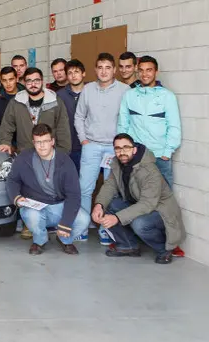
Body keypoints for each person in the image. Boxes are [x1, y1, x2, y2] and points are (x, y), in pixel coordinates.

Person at [92, 133, 185, 264]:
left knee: (140, 224)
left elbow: (147, 204)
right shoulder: (117, 163)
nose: (121, 152)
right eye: (117, 148)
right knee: (109, 205)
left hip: (161, 211)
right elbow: (109, 186)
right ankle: (127, 246)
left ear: (134, 149)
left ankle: (164, 250)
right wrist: (99, 205)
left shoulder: (149, 170)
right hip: (138, 204)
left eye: (126, 147)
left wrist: (117, 218)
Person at [6, 124, 90, 255]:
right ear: (33, 142)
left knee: (84, 219)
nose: (42, 145)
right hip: (35, 206)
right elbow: (12, 180)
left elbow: (73, 195)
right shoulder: (23, 158)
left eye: (45, 141)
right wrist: (16, 197)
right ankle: (39, 241)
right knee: (30, 215)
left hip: (59, 206)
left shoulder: (65, 161)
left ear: (52, 141)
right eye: (38, 142)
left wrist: (66, 224)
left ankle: (64, 239)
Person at [74, 53, 129, 244]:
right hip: (91, 146)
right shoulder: (88, 89)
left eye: (108, 67)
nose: (104, 71)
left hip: (114, 149)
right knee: (85, 188)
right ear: (95, 70)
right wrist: (83, 140)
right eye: (100, 67)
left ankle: (106, 229)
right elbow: (79, 117)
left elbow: (128, 119)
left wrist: (122, 146)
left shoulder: (125, 90)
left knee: (110, 190)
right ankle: (81, 226)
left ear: (114, 70)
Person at [117, 56, 181, 187]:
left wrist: (167, 153)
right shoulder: (129, 95)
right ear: (137, 71)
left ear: (156, 72)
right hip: (136, 155)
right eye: (141, 70)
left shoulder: (167, 96)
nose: (144, 74)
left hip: (160, 156)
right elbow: (123, 125)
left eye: (149, 70)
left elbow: (174, 126)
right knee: (137, 197)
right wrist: (125, 150)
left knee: (165, 199)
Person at [0, 67, 71, 155]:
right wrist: (5, 143)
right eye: (29, 81)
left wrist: (63, 153)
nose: (33, 84)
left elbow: (63, 129)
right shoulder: (16, 102)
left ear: (42, 81)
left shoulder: (55, 101)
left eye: (37, 80)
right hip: (25, 155)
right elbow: (7, 126)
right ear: (24, 82)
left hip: (50, 155)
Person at [55, 59, 86, 170]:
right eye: (70, 73)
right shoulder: (59, 95)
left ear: (83, 73)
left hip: (89, 145)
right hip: (68, 147)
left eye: (76, 72)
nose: (73, 76)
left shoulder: (92, 91)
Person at [0, 66, 24, 136]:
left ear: (17, 79)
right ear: (1, 81)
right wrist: (6, 142)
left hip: (26, 141)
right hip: (5, 142)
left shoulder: (26, 96)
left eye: (11, 79)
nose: (8, 83)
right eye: (4, 80)